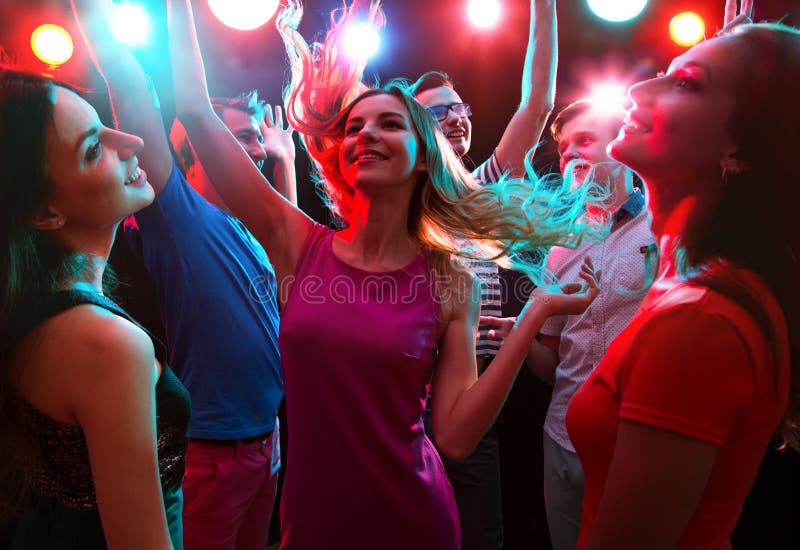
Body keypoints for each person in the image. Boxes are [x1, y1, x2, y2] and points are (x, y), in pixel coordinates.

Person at [166, 1, 610, 547]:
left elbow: (454, 435)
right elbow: (193, 105)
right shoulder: (299, 244)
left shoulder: (452, 281)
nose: (365, 134)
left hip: (412, 520)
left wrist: (534, 315)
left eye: (389, 124)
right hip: (312, 522)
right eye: (354, 126)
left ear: (424, 156)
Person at [565, 5, 800, 549]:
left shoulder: (698, 323)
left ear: (740, 145)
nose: (638, 90)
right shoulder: (697, 284)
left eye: (686, 84)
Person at [71, 1, 286, 548]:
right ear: (190, 158)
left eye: (257, 138)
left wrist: (284, 163)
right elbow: (123, 76)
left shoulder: (251, 234)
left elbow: (293, 250)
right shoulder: (179, 215)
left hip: (268, 445)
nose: (256, 149)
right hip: (214, 457)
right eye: (242, 137)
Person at [0, 68, 189, 549]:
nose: (130, 141)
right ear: (45, 212)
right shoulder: (108, 344)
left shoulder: (32, 315)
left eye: (105, 124)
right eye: (92, 149)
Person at [409, 4, 558, 546]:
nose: (456, 115)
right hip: (405, 411)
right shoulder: (400, 204)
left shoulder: (482, 194)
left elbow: (537, 104)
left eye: (460, 105)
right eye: (438, 111)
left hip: (473, 406)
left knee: (478, 536)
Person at [528, 98, 655, 550]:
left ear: (620, 146)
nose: (570, 154)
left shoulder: (663, 226)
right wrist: (521, 337)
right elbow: (552, 362)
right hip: (561, 439)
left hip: (638, 444)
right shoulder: (558, 248)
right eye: (563, 149)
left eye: (584, 140)